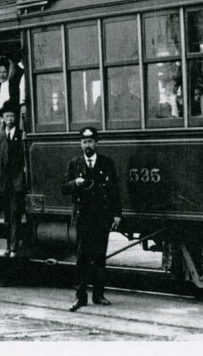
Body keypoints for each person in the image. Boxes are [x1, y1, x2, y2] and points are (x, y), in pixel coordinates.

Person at [62, 127, 121, 310]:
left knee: (100, 256)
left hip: (101, 217)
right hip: (83, 217)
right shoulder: (74, 164)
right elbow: (63, 188)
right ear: (81, 144)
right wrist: (74, 183)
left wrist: (117, 214)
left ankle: (98, 294)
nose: (88, 145)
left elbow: (114, 192)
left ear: (96, 143)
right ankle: (80, 297)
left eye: (91, 141)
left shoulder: (106, 163)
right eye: (84, 142)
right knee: (82, 257)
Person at [0, 101, 27, 257]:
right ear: (3, 119)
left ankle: (13, 247)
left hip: (17, 183)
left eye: (12, 116)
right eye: (7, 116)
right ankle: (8, 246)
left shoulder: (21, 136)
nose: (10, 119)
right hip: (3, 184)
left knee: (15, 214)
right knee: (7, 216)